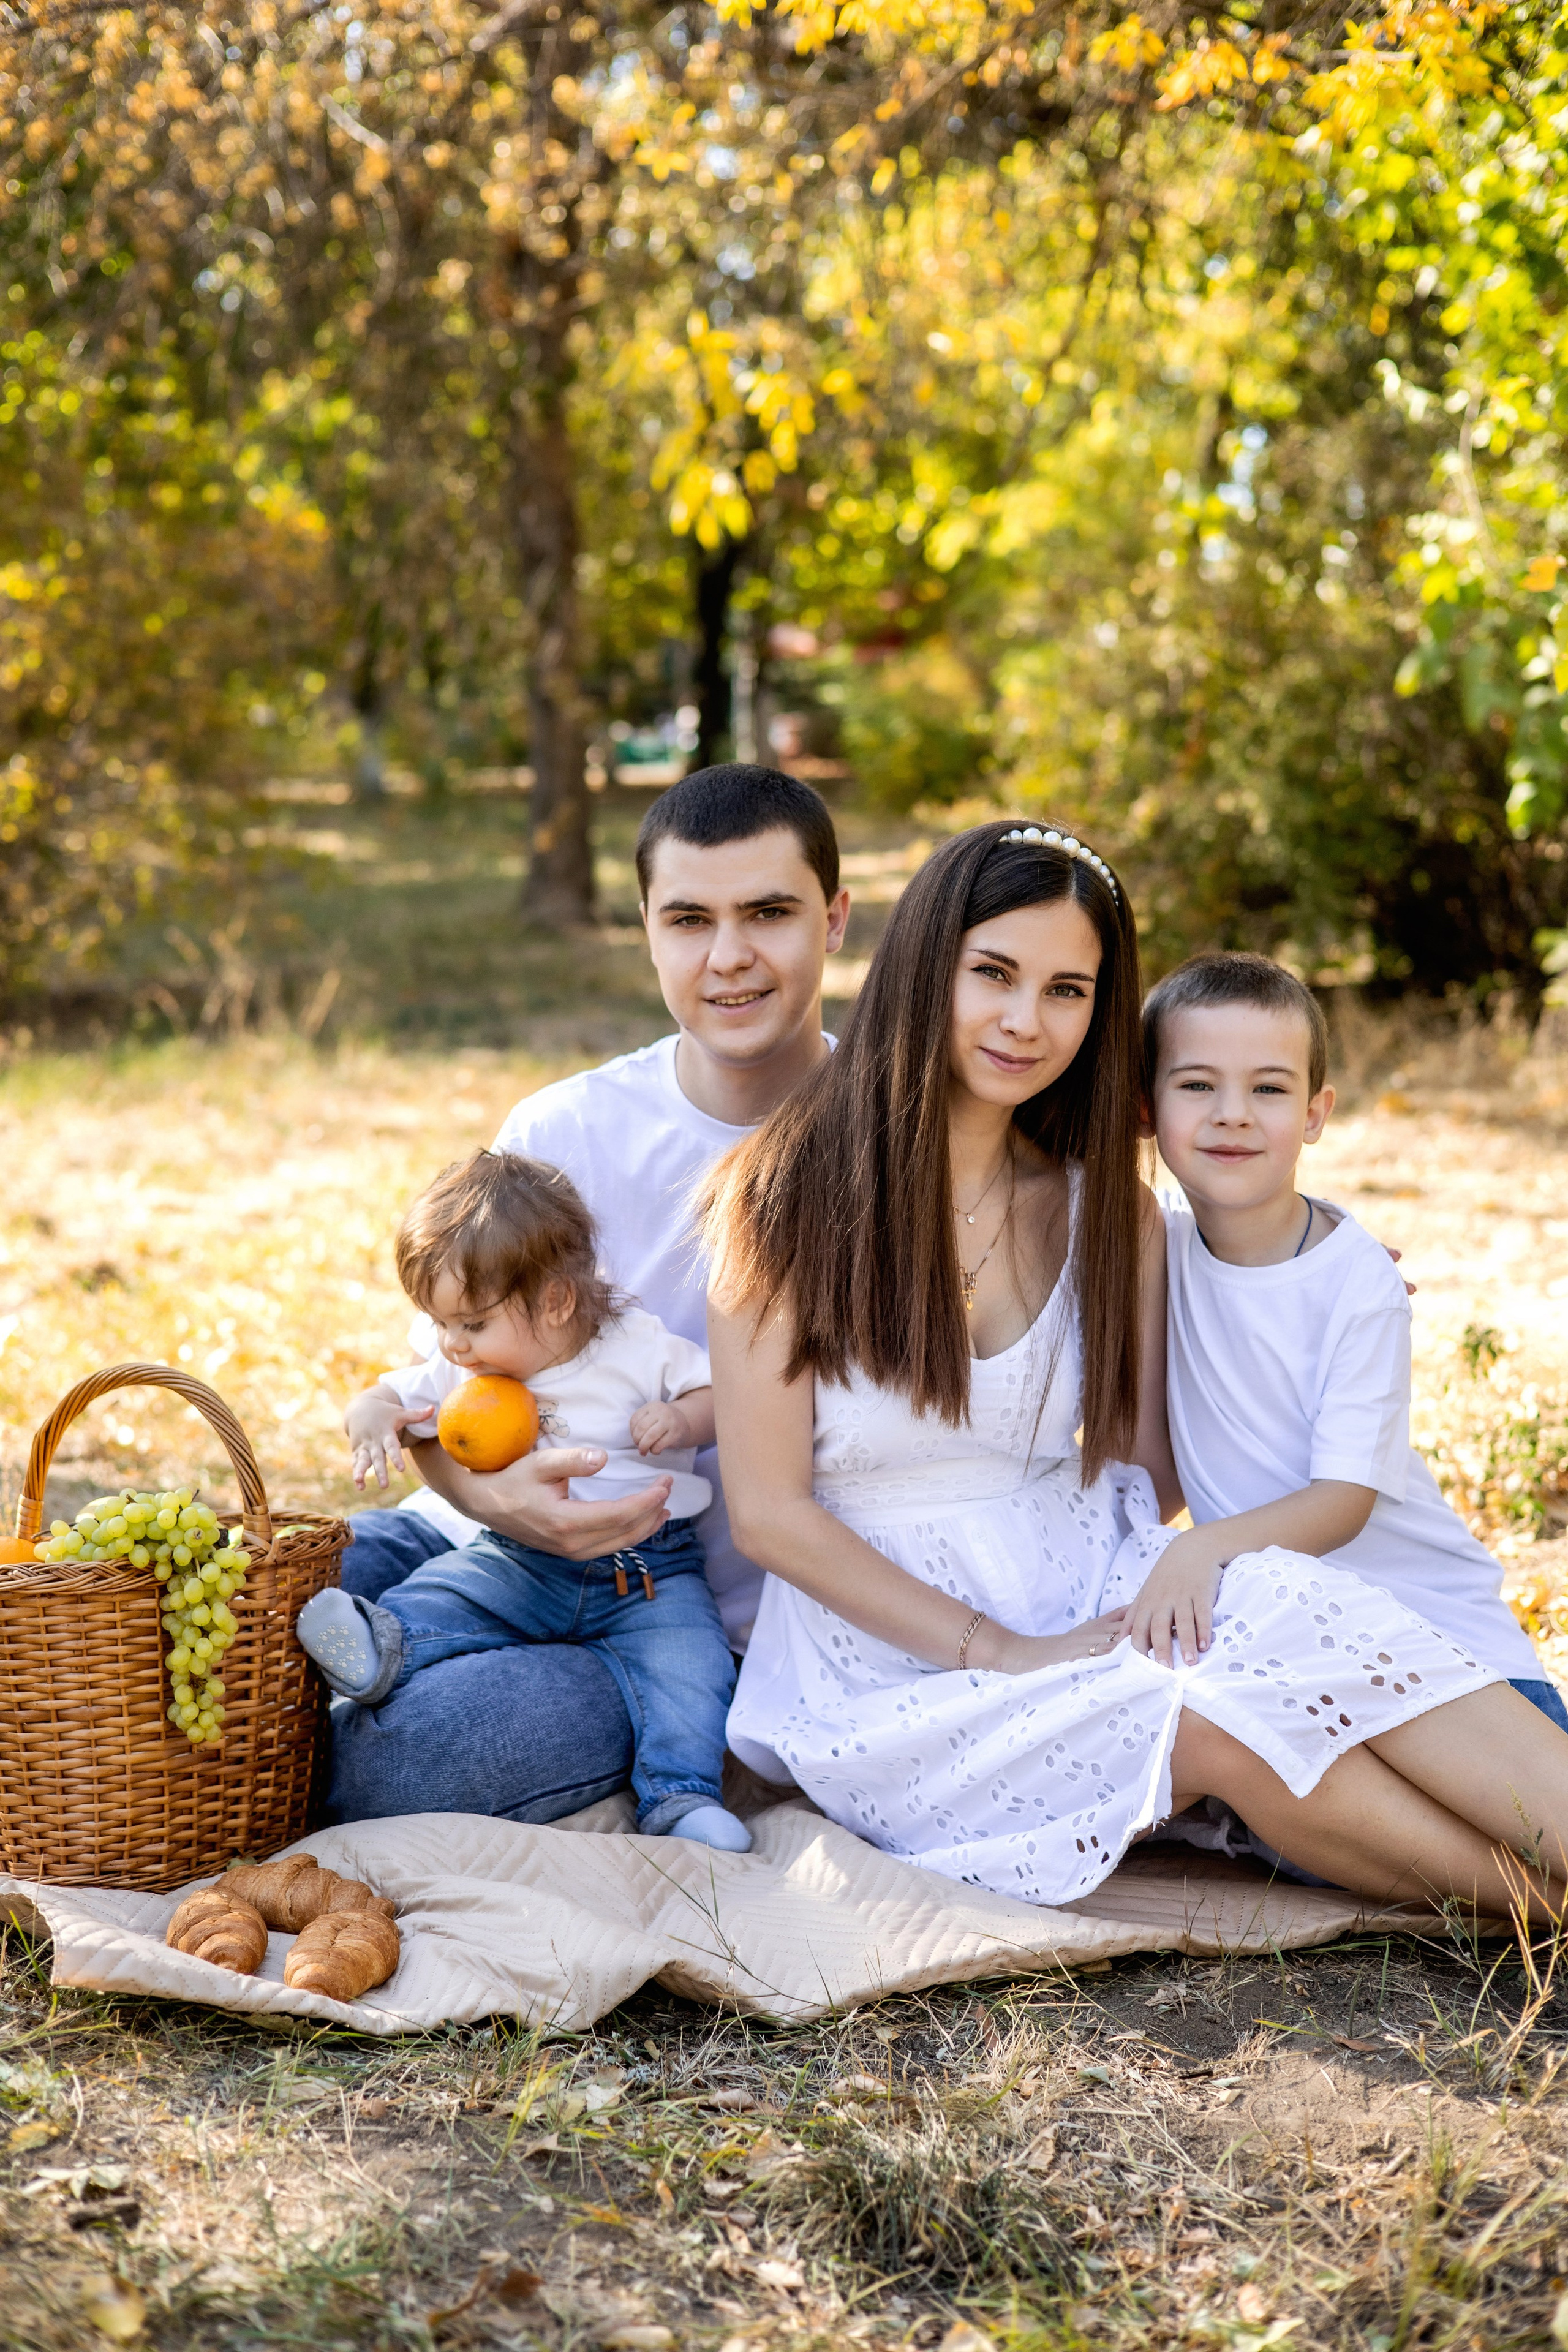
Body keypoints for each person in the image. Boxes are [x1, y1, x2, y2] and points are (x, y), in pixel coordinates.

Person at [707, 818, 1568, 1915]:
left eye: (1068, 990)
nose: (1027, 1020)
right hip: (887, 1663)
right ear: (927, 965)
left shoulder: (1106, 1209)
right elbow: (770, 1516)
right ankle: (1547, 1917)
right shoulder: (778, 1200)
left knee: (1287, 1600)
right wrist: (1002, 1649)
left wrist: (1332, 1274)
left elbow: (1145, 1465)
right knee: (1211, 1721)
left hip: (1089, 1580)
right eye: (994, 973)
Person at [326, 763, 850, 1825]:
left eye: (769, 913)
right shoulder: (563, 1130)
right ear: (647, 929)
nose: (728, 956)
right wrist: (494, 1502)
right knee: (240, 1589)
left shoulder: (888, 1146)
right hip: (476, 1541)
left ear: (834, 920)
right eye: (690, 919)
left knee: (397, 1757)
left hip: (665, 1609)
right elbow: (445, 1381)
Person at [1136, 948, 1561, 1720]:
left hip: (1446, 1647)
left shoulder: (1356, 1279)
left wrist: (1198, 1546)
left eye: (1269, 1088)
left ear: (1314, 1114)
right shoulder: (1156, 1245)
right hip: (1302, 1645)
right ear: (1144, 1107)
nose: (1232, 1113)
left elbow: (1341, 1502)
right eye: (1196, 1085)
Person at [302, 1151, 749, 1849]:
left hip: (649, 1571)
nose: (452, 1345)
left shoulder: (635, 1346)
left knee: (691, 1668)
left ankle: (682, 1797)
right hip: (519, 1557)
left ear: (556, 1302)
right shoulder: (465, 1369)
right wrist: (370, 1417)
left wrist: (681, 1420)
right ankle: (377, 1645)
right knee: (447, 1592)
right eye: (439, 1323)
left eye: (471, 1325)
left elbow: (717, 1395)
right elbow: (389, 1395)